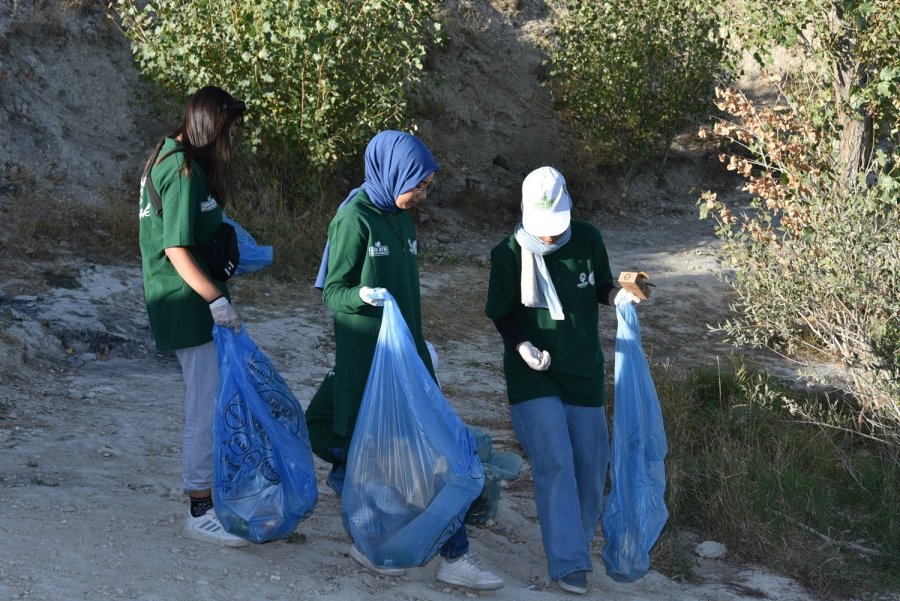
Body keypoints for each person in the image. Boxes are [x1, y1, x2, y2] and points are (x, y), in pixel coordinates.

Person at [306, 130, 503, 590]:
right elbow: (332, 294)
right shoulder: (354, 219)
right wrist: (362, 295)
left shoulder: (404, 220)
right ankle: (372, 537)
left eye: (428, 186)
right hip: (367, 364)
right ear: (392, 172)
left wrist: (420, 345)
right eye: (419, 184)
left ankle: (452, 555)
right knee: (365, 454)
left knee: (432, 450)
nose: (423, 194)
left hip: (408, 359)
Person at [484, 166, 641, 595]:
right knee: (555, 459)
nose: (551, 237)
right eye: (544, 230)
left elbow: (600, 287)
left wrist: (619, 297)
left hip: (583, 371)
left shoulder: (588, 239)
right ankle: (569, 560)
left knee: (591, 466)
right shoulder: (508, 254)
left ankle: (576, 538)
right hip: (532, 375)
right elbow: (500, 313)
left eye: (557, 228)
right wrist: (521, 348)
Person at [138, 85, 248, 547]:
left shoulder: (169, 156)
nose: (233, 139)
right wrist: (215, 300)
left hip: (186, 298)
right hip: (185, 302)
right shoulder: (180, 171)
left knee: (208, 398)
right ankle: (200, 510)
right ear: (212, 124)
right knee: (204, 405)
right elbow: (175, 248)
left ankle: (205, 490)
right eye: (231, 130)